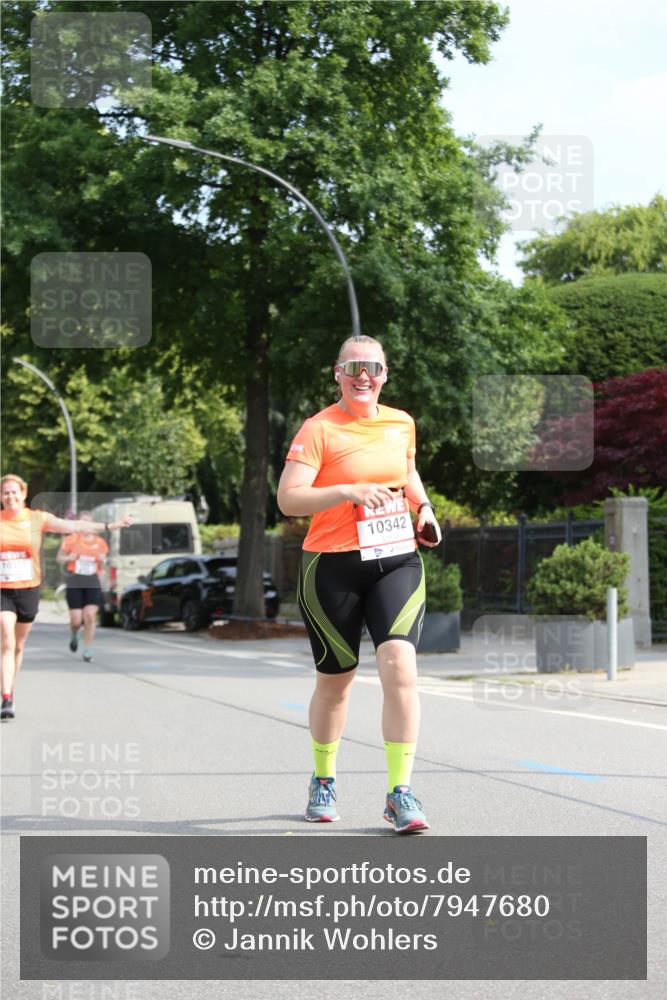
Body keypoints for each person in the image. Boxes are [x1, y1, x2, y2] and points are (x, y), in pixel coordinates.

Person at [276, 335, 442, 834]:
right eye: (353, 367)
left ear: (385, 374)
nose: (363, 375)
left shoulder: (401, 423)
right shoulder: (319, 429)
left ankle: (400, 793)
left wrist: (425, 508)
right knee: (337, 683)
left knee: (399, 664)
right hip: (330, 565)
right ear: (338, 374)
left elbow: (407, 470)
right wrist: (347, 491)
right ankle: (323, 780)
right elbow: (288, 499)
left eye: (372, 367)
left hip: (397, 559)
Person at [0, 474, 131, 721]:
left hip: (27, 589)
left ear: (23, 494)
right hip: (2, 590)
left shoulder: (37, 519)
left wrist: (109, 526)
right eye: (5, 492)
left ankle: (11, 689)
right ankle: (5, 697)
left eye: (14, 492)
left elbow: (74, 527)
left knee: (18, 645)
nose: (10, 496)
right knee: (6, 637)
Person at [56, 511, 109, 663]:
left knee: (90, 617)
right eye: (83, 523)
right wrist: (68, 558)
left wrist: (103, 561)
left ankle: (87, 649)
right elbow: (59, 558)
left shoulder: (100, 543)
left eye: (89, 523)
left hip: (92, 581)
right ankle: (74, 635)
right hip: (75, 581)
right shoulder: (71, 540)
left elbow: (103, 565)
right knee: (76, 621)